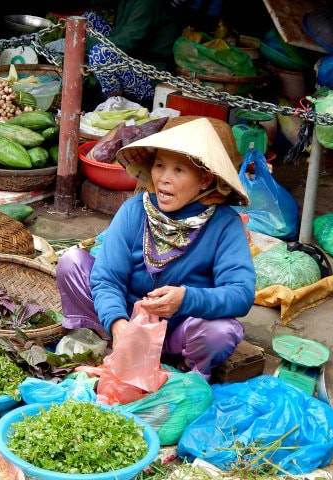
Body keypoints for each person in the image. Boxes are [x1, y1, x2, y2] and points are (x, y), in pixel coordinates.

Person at [56, 118, 255, 380]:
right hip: (126, 320)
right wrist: (118, 324)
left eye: (178, 171)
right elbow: (107, 278)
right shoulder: (134, 210)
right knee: (72, 262)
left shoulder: (224, 224)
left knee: (221, 332)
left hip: (176, 331)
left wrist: (185, 299)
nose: (164, 179)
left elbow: (241, 294)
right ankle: (103, 341)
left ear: (205, 179)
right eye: (160, 166)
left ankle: (184, 372)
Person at [83, 0, 181, 103]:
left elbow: (126, 43)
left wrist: (81, 43)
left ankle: (114, 104)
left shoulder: (147, 3)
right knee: (90, 18)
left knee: (100, 53)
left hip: (149, 75)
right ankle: (80, 89)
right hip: (128, 57)